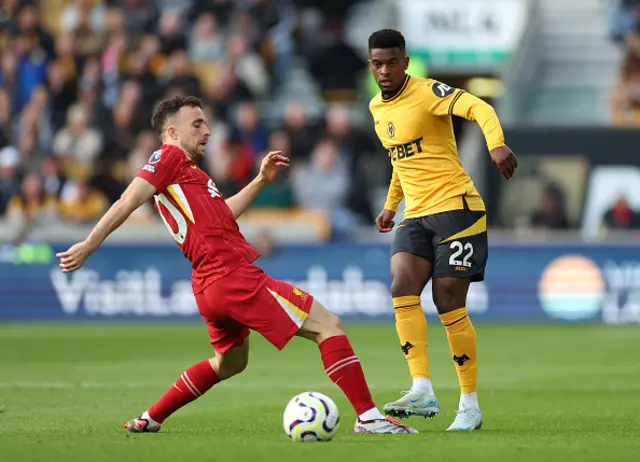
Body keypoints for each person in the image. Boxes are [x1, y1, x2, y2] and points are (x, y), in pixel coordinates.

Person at [56, 96, 417, 435]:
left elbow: (223, 216)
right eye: (197, 124)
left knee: (230, 363)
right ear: (172, 132)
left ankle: (151, 417)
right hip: (232, 274)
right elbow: (127, 200)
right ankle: (369, 417)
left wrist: (260, 180)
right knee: (328, 325)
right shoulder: (167, 158)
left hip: (208, 285)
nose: (207, 131)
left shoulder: (189, 174)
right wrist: (90, 244)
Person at [367, 29, 519, 431]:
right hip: (415, 215)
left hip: (457, 208)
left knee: (447, 297)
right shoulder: (376, 108)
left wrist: (496, 144)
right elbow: (402, 162)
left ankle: (469, 403)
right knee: (401, 285)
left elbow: (479, 107)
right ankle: (421, 388)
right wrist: (389, 206)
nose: (384, 71)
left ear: (405, 62)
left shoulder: (428, 92)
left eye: (391, 62)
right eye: (377, 64)